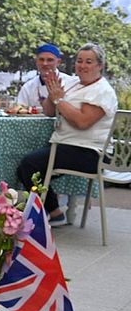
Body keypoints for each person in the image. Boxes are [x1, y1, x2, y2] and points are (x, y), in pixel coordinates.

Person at [17, 43, 117, 226]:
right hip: (65, 145)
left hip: (89, 152)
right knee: (28, 162)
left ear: (100, 65)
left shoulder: (102, 90)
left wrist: (59, 99)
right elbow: (48, 111)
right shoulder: (72, 82)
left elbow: (82, 122)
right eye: (79, 61)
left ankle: (52, 212)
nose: (82, 66)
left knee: (29, 164)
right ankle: (48, 210)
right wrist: (51, 92)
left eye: (89, 62)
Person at [16, 44, 77, 109]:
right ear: (36, 61)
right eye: (41, 60)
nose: (45, 63)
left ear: (58, 62)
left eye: (50, 60)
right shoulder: (28, 87)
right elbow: (20, 109)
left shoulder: (71, 83)